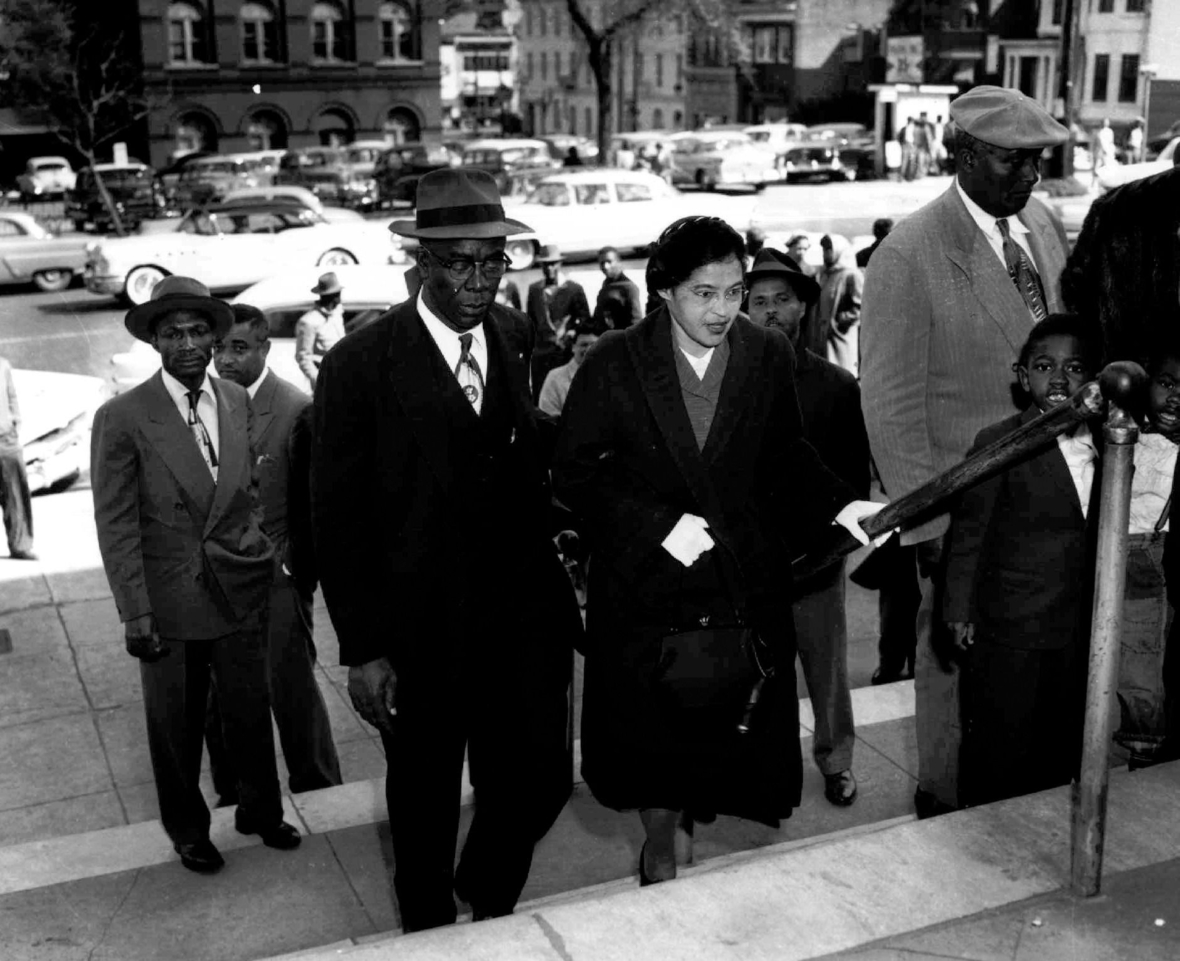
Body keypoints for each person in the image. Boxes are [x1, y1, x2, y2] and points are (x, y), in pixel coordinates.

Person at [553, 215, 885, 886]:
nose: (722, 310)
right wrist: (653, 524)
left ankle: (686, 828)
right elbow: (576, 471)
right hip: (647, 589)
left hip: (734, 582)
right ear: (665, 291)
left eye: (734, 291)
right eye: (704, 293)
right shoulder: (616, 359)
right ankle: (661, 849)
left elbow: (786, 454)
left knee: (721, 726)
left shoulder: (765, 353)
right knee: (652, 742)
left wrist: (841, 502)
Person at [312, 168, 583, 932]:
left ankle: (490, 896)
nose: (478, 279)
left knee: (537, 782)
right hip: (419, 634)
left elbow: (523, 452)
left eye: (493, 261)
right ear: (420, 264)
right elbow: (337, 517)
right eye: (458, 262)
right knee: (425, 801)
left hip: (521, 621)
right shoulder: (360, 365)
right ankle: (428, 931)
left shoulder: (515, 333)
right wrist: (364, 648)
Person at [859, 85, 1070, 818]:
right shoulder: (909, 251)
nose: (1030, 177)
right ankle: (944, 795)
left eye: (1038, 160)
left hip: (1045, 506)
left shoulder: (1042, 226)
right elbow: (887, 402)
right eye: (1014, 162)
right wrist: (924, 525)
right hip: (960, 511)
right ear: (967, 153)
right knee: (952, 664)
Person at [89, 276, 300, 874]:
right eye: (173, 333)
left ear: (216, 336)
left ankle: (260, 810)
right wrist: (135, 610)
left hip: (239, 586)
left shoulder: (233, 400)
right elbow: (116, 522)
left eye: (198, 331)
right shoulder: (124, 417)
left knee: (249, 710)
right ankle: (187, 830)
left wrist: (260, 552)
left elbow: (247, 493)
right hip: (170, 598)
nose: (187, 343)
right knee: (175, 726)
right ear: (155, 341)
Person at [943, 314, 1100, 807]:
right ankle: (988, 833)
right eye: (1044, 365)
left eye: (1074, 367)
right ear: (1022, 375)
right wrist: (958, 608)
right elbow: (969, 532)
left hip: (1075, 625)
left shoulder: (1108, 441)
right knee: (1000, 740)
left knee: (1060, 741)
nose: (1059, 379)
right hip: (1009, 625)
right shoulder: (999, 441)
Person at [1062, 168, 1180, 765]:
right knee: (1137, 611)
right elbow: (1085, 330)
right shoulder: (1123, 217)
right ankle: (1147, 735)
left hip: (1139, 443)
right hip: (1137, 449)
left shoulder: (1117, 213)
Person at [745, 248, 868, 806]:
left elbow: (851, 482)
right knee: (756, 678)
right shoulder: (728, 382)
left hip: (816, 562)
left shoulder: (837, 386)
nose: (771, 311)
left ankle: (836, 762)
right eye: (759, 300)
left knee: (827, 671)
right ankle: (761, 775)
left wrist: (830, 550)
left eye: (782, 300)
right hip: (753, 564)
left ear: (803, 308)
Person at [206, 305, 342, 801]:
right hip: (219, 578)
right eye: (218, 348)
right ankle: (236, 794)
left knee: (292, 691)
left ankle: (320, 789)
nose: (224, 359)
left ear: (266, 347)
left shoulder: (295, 408)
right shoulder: (208, 404)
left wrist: (294, 568)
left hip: (277, 577)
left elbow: (316, 502)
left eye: (238, 347)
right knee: (221, 697)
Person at [1114, 338, 1180, 769]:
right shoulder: (1130, 435)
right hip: (1128, 550)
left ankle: (1149, 741)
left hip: (1158, 555)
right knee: (1133, 654)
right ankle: (1140, 738)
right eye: (1167, 383)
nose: (1176, 396)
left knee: (1152, 654)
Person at [526, 244, 591, 403]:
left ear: (560, 264)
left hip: (565, 352)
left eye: (553, 263)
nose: (549, 268)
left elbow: (584, 319)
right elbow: (530, 321)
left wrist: (571, 332)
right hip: (541, 354)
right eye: (545, 264)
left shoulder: (574, 289)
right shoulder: (534, 290)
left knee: (567, 394)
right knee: (541, 396)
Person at [0, 356, 35, 560]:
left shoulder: (3, 365)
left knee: (15, 492)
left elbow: (12, 397)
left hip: (6, 439)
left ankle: (21, 545)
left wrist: (16, 422)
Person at [538, 315, 605, 417]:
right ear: (573, 347)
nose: (589, 350)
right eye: (584, 345)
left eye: (594, 345)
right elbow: (547, 422)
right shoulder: (555, 379)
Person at [815, 235, 863, 377]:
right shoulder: (825, 275)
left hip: (842, 339)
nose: (826, 253)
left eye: (829, 249)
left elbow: (861, 307)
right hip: (824, 339)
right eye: (824, 249)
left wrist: (841, 320)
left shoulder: (851, 275)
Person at [294, 272, 346, 389]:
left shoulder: (337, 313)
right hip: (325, 378)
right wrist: (319, 380)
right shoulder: (308, 321)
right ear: (335, 295)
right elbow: (303, 357)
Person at [596, 246, 644, 328]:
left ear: (618, 262)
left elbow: (636, 321)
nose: (605, 266)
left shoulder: (629, 288)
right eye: (602, 263)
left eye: (609, 262)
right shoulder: (605, 286)